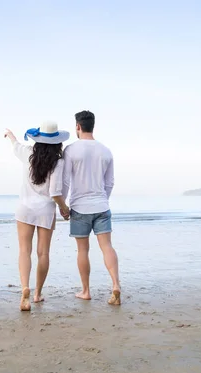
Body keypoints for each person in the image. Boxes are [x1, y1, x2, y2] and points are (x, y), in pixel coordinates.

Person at [4, 122, 70, 311]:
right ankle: (37, 293)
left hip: (24, 208)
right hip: (46, 210)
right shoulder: (59, 162)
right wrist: (64, 208)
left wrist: (10, 135)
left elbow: (16, 146)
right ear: (57, 142)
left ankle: (25, 287)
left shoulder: (28, 154)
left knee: (24, 251)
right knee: (43, 253)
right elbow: (56, 192)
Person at [63, 110, 121, 305]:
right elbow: (110, 182)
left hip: (79, 207)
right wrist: (103, 199)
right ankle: (116, 284)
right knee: (107, 247)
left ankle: (86, 291)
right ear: (92, 126)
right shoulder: (106, 151)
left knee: (82, 251)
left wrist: (62, 205)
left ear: (78, 127)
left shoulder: (71, 150)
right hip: (101, 205)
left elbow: (65, 182)